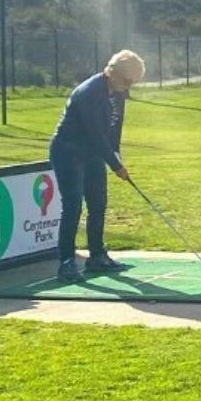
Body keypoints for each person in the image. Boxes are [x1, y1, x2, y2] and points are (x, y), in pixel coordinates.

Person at [50, 49, 145, 281]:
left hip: (92, 153)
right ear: (113, 72)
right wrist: (115, 165)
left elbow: (114, 128)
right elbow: (96, 134)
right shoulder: (89, 92)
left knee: (98, 204)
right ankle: (67, 262)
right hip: (68, 151)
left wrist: (117, 156)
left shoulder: (119, 93)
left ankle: (97, 257)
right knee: (73, 205)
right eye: (127, 81)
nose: (128, 87)